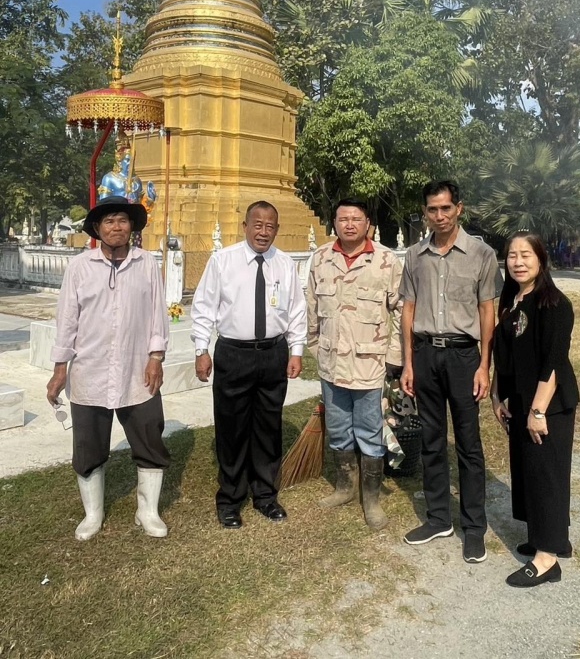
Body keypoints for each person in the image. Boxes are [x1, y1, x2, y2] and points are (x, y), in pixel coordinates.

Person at [46, 195, 170, 541]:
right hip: (90, 371)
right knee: (89, 445)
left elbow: (157, 315)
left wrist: (156, 357)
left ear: (132, 227)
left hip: (137, 371)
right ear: (98, 229)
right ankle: (93, 514)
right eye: (109, 221)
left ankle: (147, 511)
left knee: (149, 437)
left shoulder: (146, 264)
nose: (117, 227)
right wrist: (60, 369)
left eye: (123, 220)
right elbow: (67, 321)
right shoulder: (80, 267)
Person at [400, 181, 501, 562]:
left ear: (459, 208)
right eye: (432, 209)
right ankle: (439, 518)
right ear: (425, 212)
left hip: (463, 358)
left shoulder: (481, 254)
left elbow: (487, 311)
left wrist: (484, 365)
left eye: (445, 208)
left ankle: (473, 528)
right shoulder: (415, 256)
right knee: (431, 439)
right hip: (426, 354)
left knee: (469, 444)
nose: (439, 216)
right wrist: (408, 363)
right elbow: (408, 310)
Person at [191, 201, 306, 529]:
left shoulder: (285, 264)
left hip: (272, 353)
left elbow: (296, 310)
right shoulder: (223, 261)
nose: (263, 232)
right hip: (234, 354)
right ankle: (230, 498)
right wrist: (201, 349)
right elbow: (204, 307)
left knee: (268, 426)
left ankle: (265, 495)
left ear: (277, 230)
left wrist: (296, 350)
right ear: (245, 226)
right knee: (232, 427)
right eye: (258, 225)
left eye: (270, 226)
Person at [306, 198, 403, 530]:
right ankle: (345, 487)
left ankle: (371, 499)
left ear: (368, 224)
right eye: (342, 218)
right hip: (331, 362)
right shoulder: (321, 258)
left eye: (356, 219)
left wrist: (394, 357)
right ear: (334, 223)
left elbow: (400, 311)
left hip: (369, 364)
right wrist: (316, 347)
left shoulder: (386, 261)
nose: (349, 224)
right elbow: (311, 307)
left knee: (369, 430)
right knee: (338, 428)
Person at [491, 232, 580, 588]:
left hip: (548, 406)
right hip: (521, 401)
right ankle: (548, 537)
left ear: (541, 259)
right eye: (512, 255)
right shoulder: (512, 301)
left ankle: (547, 559)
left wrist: (538, 411)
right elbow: (504, 353)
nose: (518, 262)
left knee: (547, 476)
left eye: (526, 254)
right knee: (530, 473)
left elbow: (554, 361)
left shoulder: (554, 303)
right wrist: (498, 396)